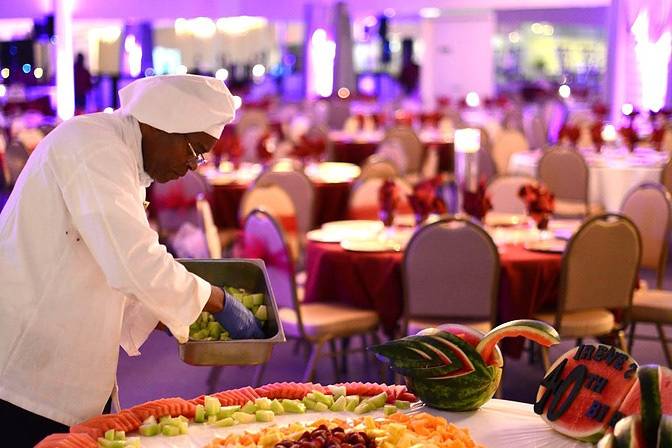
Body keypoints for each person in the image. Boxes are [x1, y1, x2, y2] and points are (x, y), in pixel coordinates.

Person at [0, 74, 263, 446]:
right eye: (194, 149)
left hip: (71, 348)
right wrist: (218, 301)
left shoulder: (122, 157)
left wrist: (172, 317)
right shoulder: (91, 146)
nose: (193, 165)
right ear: (162, 126)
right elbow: (134, 260)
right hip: (27, 364)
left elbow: (111, 264)